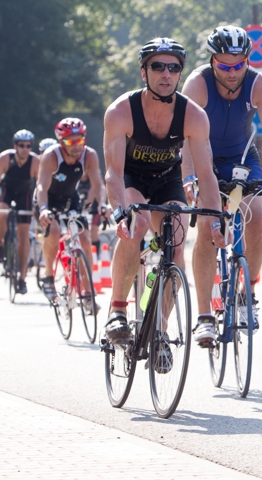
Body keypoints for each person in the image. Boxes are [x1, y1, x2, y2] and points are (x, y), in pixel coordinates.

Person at [103, 37, 226, 346]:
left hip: (167, 178)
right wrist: (119, 211)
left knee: (177, 242)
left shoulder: (194, 115)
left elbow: (207, 174)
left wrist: (215, 219)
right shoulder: (121, 111)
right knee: (137, 225)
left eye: (173, 68)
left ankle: (159, 328)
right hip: (132, 178)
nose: (166, 74)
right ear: (144, 73)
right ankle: (117, 310)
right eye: (157, 67)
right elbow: (113, 173)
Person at [180, 25, 262, 346]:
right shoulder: (197, 83)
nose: (232, 73)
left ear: (247, 60)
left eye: (239, 65)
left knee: (257, 214)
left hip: (241, 156)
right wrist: (188, 177)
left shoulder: (259, 84)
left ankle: (248, 293)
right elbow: (184, 136)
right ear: (212, 60)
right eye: (224, 66)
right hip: (204, 157)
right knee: (207, 227)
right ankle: (204, 316)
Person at [36, 118, 104, 306]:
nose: (76, 146)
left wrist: (103, 206)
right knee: (55, 231)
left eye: (79, 140)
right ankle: (48, 276)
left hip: (69, 198)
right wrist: (43, 210)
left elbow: (98, 184)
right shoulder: (51, 156)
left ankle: (88, 293)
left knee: (84, 237)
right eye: (70, 141)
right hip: (47, 200)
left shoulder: (89, 155)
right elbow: (41, 186)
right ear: (60, 143)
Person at [0, 129, 39, 294]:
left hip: (24, 194)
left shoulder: (35, 162)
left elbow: (40, 186)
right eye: (21, 145)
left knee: (24, 236)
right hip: (7, 190)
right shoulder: (5, 158)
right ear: (15, 146)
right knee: (1, 212)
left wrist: (37, 206)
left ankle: (22, 278)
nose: (25, 149)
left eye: (28, 146)